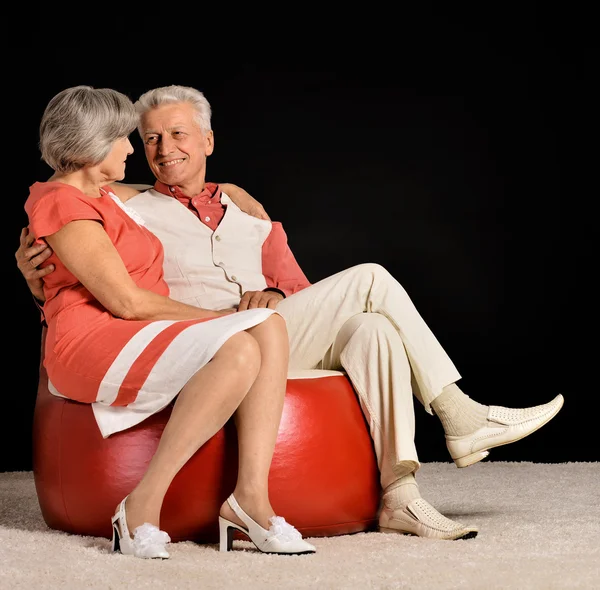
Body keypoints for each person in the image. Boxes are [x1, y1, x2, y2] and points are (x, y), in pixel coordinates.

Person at [18, 84, 564, 542]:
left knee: (371, 327)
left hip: (275, 330)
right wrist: (30, 273)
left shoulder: (251, 213)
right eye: (150, 138)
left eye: (178, 134)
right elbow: (82, 215)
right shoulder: (127, 203)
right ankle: (459, 415)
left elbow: (300, 287)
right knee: (371, 279)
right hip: (199, 339)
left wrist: (276, 297)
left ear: (209, 139)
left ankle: (401, 495)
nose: (161, 150)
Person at [22, 85, 316, 560]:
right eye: (124, 138)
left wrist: (230, 190)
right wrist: (220, 318)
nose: (133, 149)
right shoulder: (61, 202)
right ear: (93, 145)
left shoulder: (98, 195)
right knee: (244, 336)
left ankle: (250, 501)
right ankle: (141, 504)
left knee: (264, 326)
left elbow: (145, 189)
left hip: (131, 329)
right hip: (95, 337)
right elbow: (126, 302)